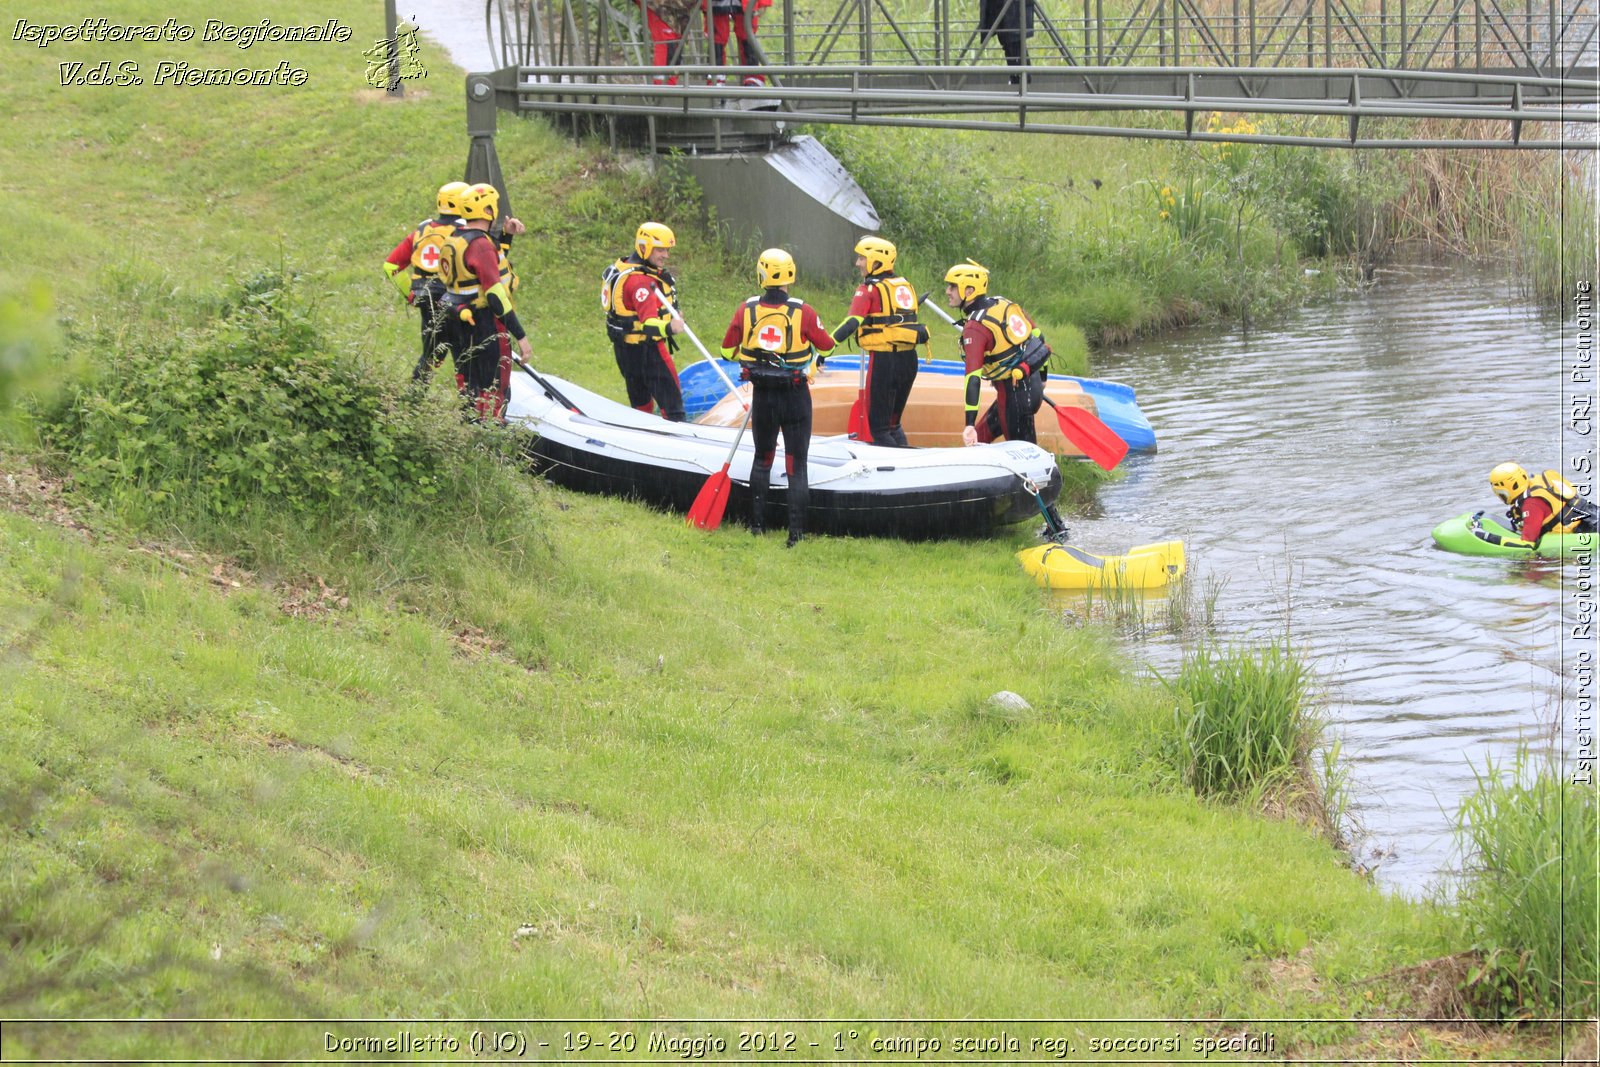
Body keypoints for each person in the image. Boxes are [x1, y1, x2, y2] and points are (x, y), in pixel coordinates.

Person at [718, 248, 837, 547]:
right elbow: (828, 347)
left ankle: (756, 527)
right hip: (795, 396)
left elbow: (725, 351)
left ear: (761, 274)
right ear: (791, 275)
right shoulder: (803, 311)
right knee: (797, 465)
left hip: (764, 397)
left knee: (762, 459)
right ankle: (795, 535)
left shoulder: (746, 310)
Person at [436, 183, 532, 422]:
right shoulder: (480, 244)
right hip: (484, 324)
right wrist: (520, 335)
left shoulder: (455, 239)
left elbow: (486, 266)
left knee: (470, 386)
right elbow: (494, 292)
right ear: (488, 210)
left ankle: (470, 433)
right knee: (494, 386)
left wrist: (506, 236)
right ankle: (492, 439)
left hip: (458, 322)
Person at [830, 236, 928, 447]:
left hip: (885, 362)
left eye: (862, 258)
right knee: (893, 425)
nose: (858, 263)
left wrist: (825, 348)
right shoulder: (905, 286)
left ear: (876, 261)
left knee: (879, 429)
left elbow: (851, 323)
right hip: (909, 360)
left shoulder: (868, 289)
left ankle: (892, 475)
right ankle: (907, 467)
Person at [384, 180, 468, 388]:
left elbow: (390, 266)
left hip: (426, 299)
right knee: (463, 357)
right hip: (455, 302)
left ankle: (413, 400)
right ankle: (470, 410)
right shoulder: (465, 234)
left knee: (431, 356)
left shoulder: (421, 232)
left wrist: (410, 294)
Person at [604, 222, 687, 420]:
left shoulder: (624, 267)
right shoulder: (641, 282)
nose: (665, 255)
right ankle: (677, 442)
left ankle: (641, 436)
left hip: (624, 351)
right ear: (644, 247)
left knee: (640, 403)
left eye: (667, 249)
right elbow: (649, 325)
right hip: (648, 352)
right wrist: (671, 327)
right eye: (660, 249)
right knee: (674, 407)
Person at [1478, 463, 1599, 548]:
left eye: (1500, 493)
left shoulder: (1532, 504)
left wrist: (1487, 537)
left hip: (1586, 529)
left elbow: (1527, 544)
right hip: (1593, 513)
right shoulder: (1536, 483)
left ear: (1509, 488)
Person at [706, 0, 772, 85]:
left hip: (745, 4)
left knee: (747, 36)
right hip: (716, 5)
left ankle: (753, 78)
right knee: (717, 38)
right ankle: (716, 78)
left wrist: (763, 3)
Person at [979, 0, 1036, 74]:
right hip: (1002, 9)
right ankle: (1018, 78)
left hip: (1012, 10)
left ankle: (1022, 78)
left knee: (1014, 45)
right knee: (1009, 44)